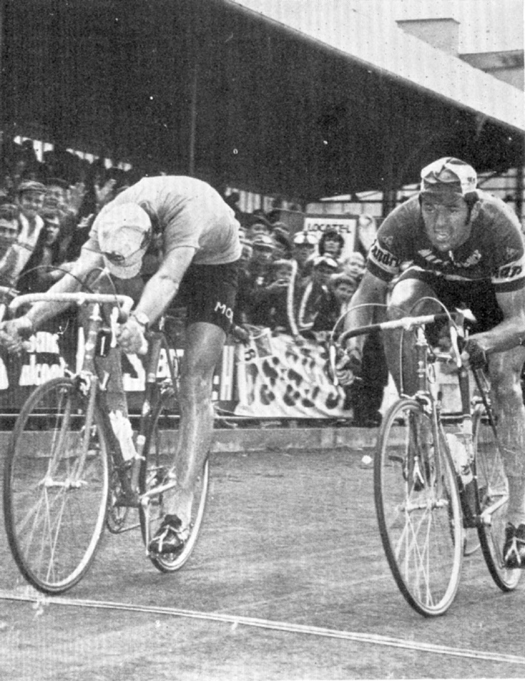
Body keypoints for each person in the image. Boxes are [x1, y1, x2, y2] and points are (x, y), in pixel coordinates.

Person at [1, 175, 241, 556]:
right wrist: (30, 320)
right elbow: (77, 276)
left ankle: (178, 508)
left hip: (211, 264)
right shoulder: (110, 217)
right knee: (96, 292)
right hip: (152, 257)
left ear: (148, 238)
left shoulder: (187, 212)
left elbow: (167, 276)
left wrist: (140, 322)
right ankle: (123, 442)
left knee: (194, 382)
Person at [337, 157, 525, 566]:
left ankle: (519, 518)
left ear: (473, 208)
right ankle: (421, 424)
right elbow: (367, 292)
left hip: (496, 297)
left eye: (452, 209)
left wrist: (487, 341)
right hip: (434, 280)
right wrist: (350, 343)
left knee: (504, 381)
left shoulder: (501, 226)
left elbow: (520, 320)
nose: (439, 222)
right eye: (430, 207)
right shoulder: (402, 222)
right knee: (397, 309)